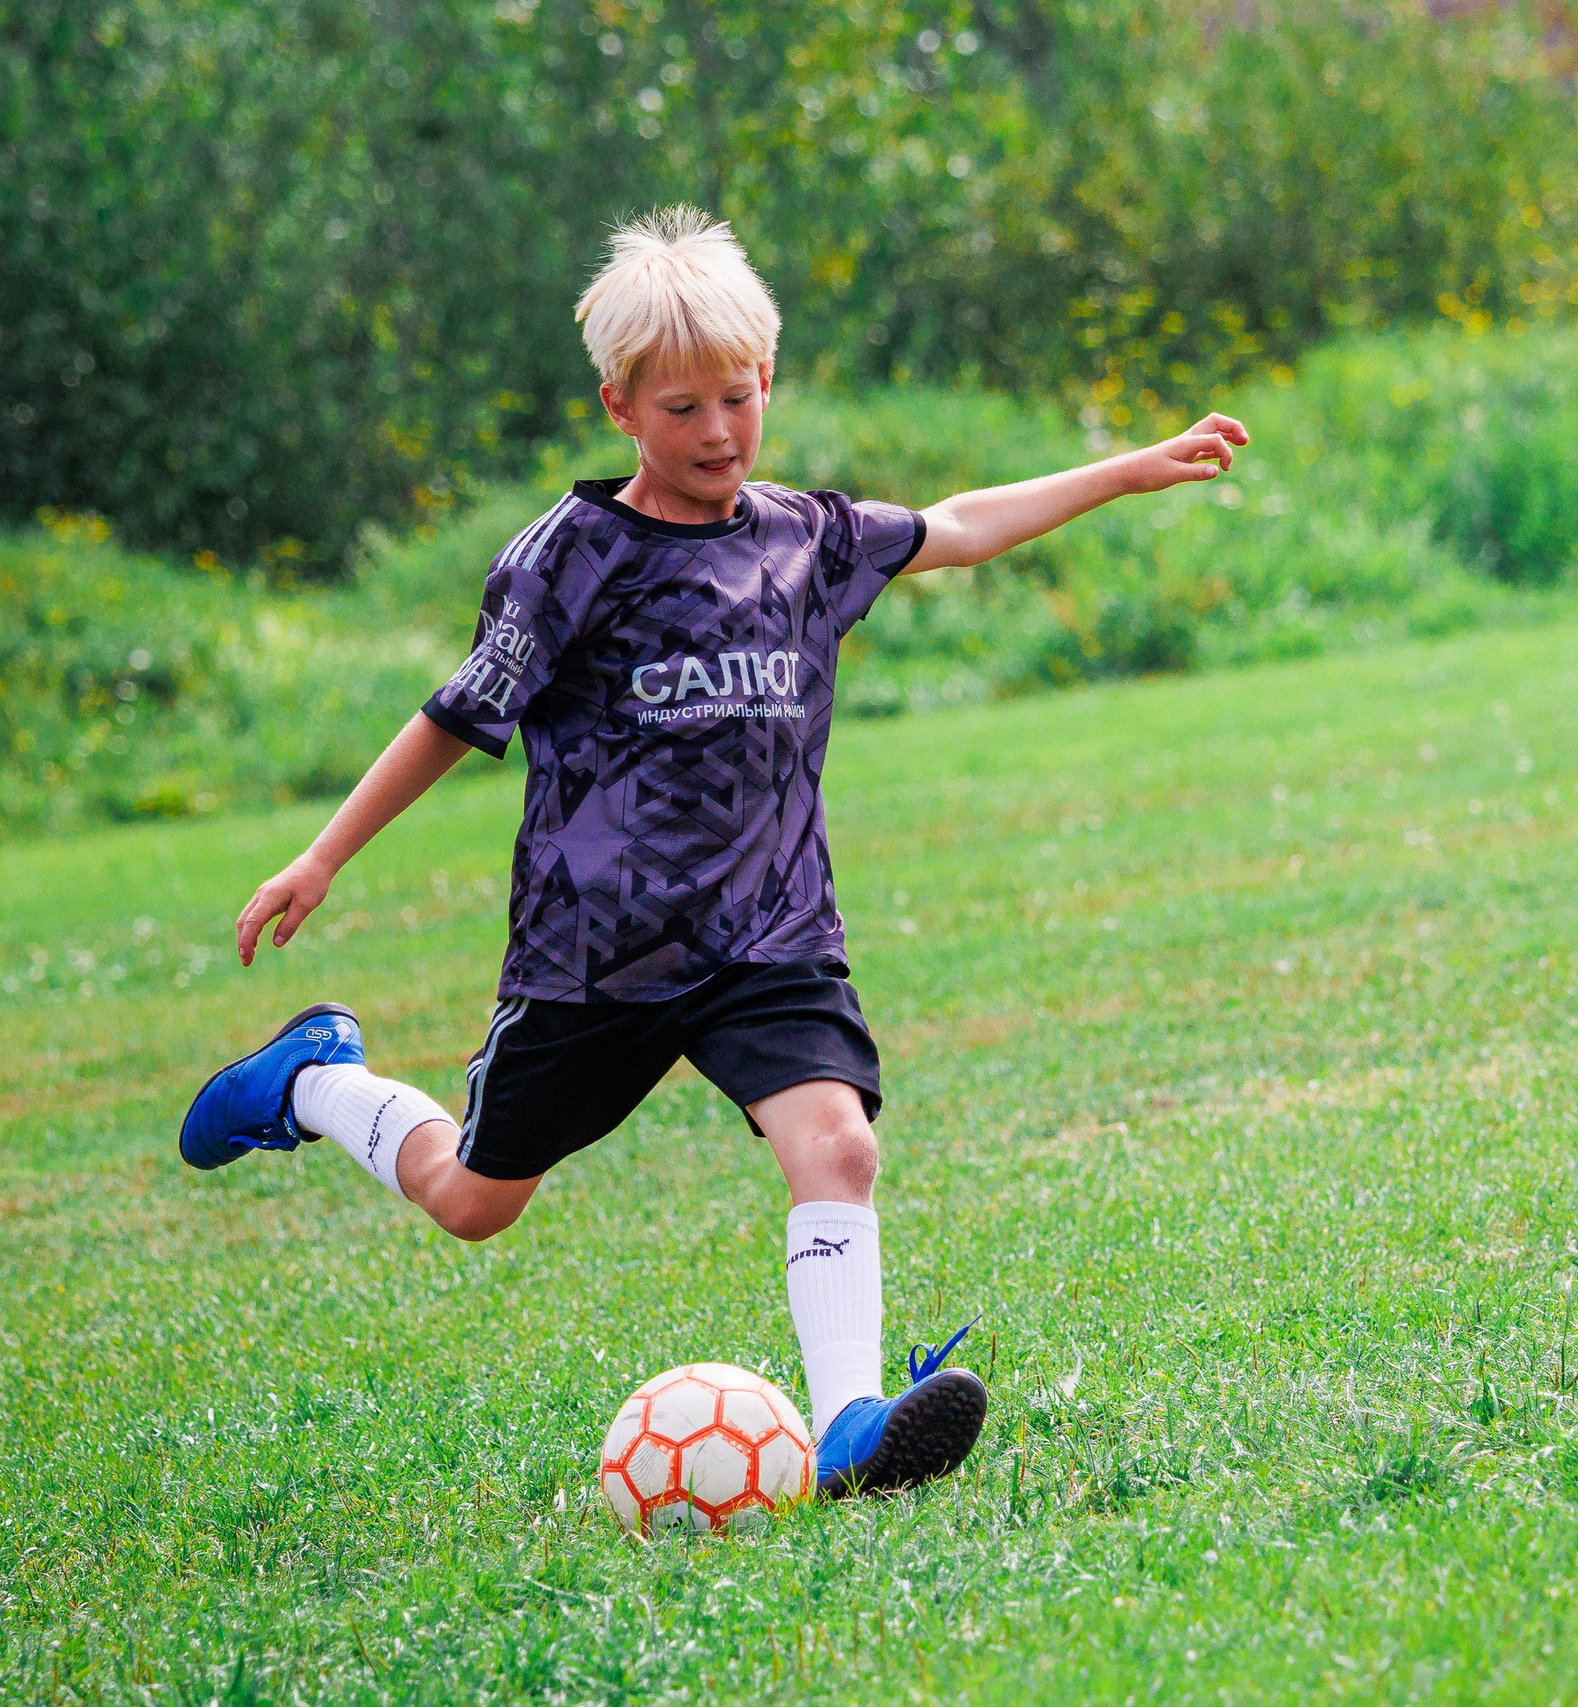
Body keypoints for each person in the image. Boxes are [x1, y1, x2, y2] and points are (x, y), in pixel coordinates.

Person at [177, 206, 1247, 1498]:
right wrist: (320, 858)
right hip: (598, 958)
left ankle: (850, 1427)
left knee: (838, 1148)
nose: (719, 432)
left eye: (738, 399)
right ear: (621, 407)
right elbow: (457, 717)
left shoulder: (804, 538)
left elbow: (958, 525)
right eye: (682, 409)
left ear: (767, 381)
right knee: (473, 1200)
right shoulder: (570, 561)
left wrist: (1128, 469)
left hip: (769, 937)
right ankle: (313, 1080)